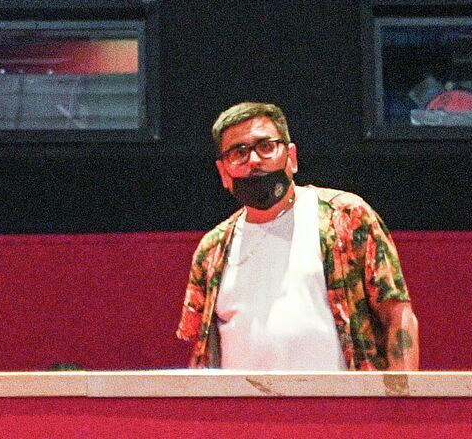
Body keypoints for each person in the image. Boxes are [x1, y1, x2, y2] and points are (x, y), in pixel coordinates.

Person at [177, 101, 418, 371]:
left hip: (340, 398)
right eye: (239, 153)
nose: (254, 160)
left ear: (291, 157)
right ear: (223, 172)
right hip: (241, 400)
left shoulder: (347, 217)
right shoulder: (212, 249)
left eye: (266, 147)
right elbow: (201, 348)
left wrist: (402, 396)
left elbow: (397, 315)